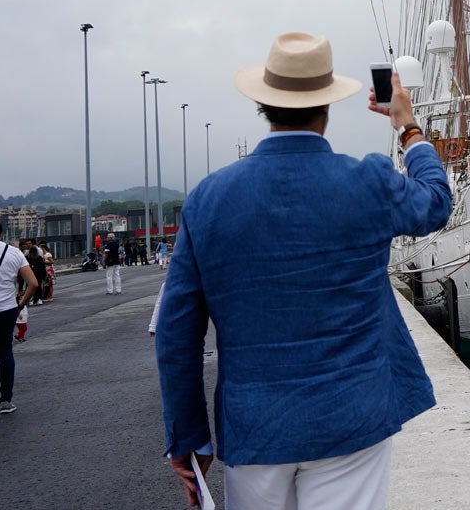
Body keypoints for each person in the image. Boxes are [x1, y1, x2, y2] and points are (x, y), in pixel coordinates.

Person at [156, 31, 452, 509]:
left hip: (254, 428)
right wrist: (408, 127)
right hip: (351, 416)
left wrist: (188, 436)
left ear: (264, 104)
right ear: (328, 105)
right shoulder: (367, 181)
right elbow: (436, 203)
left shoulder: (209, 200)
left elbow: (176, 333)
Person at [0, 221, 42, 413]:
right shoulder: (14, 252)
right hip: (7, 309)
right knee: (5, 352)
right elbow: (33, 283)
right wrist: (21, 304)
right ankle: (5, 400)